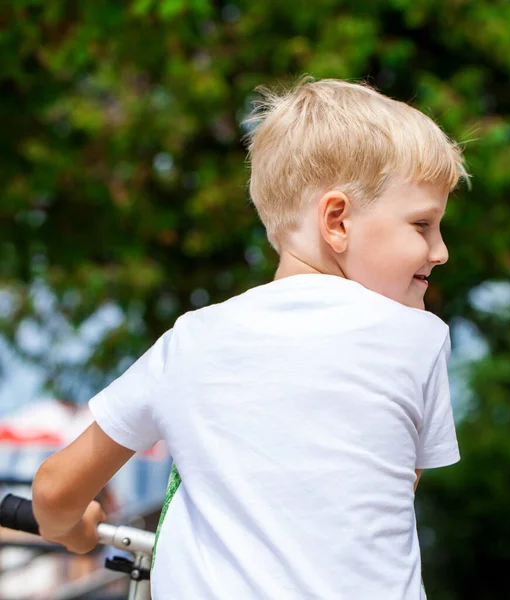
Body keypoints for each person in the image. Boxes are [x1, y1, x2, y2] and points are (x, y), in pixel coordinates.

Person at [32, 77, 468, 599]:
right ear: (336, 221)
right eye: (422, 225)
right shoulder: (416, 339)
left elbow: (55, 490)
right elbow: (386, 488)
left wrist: (72, 527)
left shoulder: (191, 340)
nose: (440, 251)